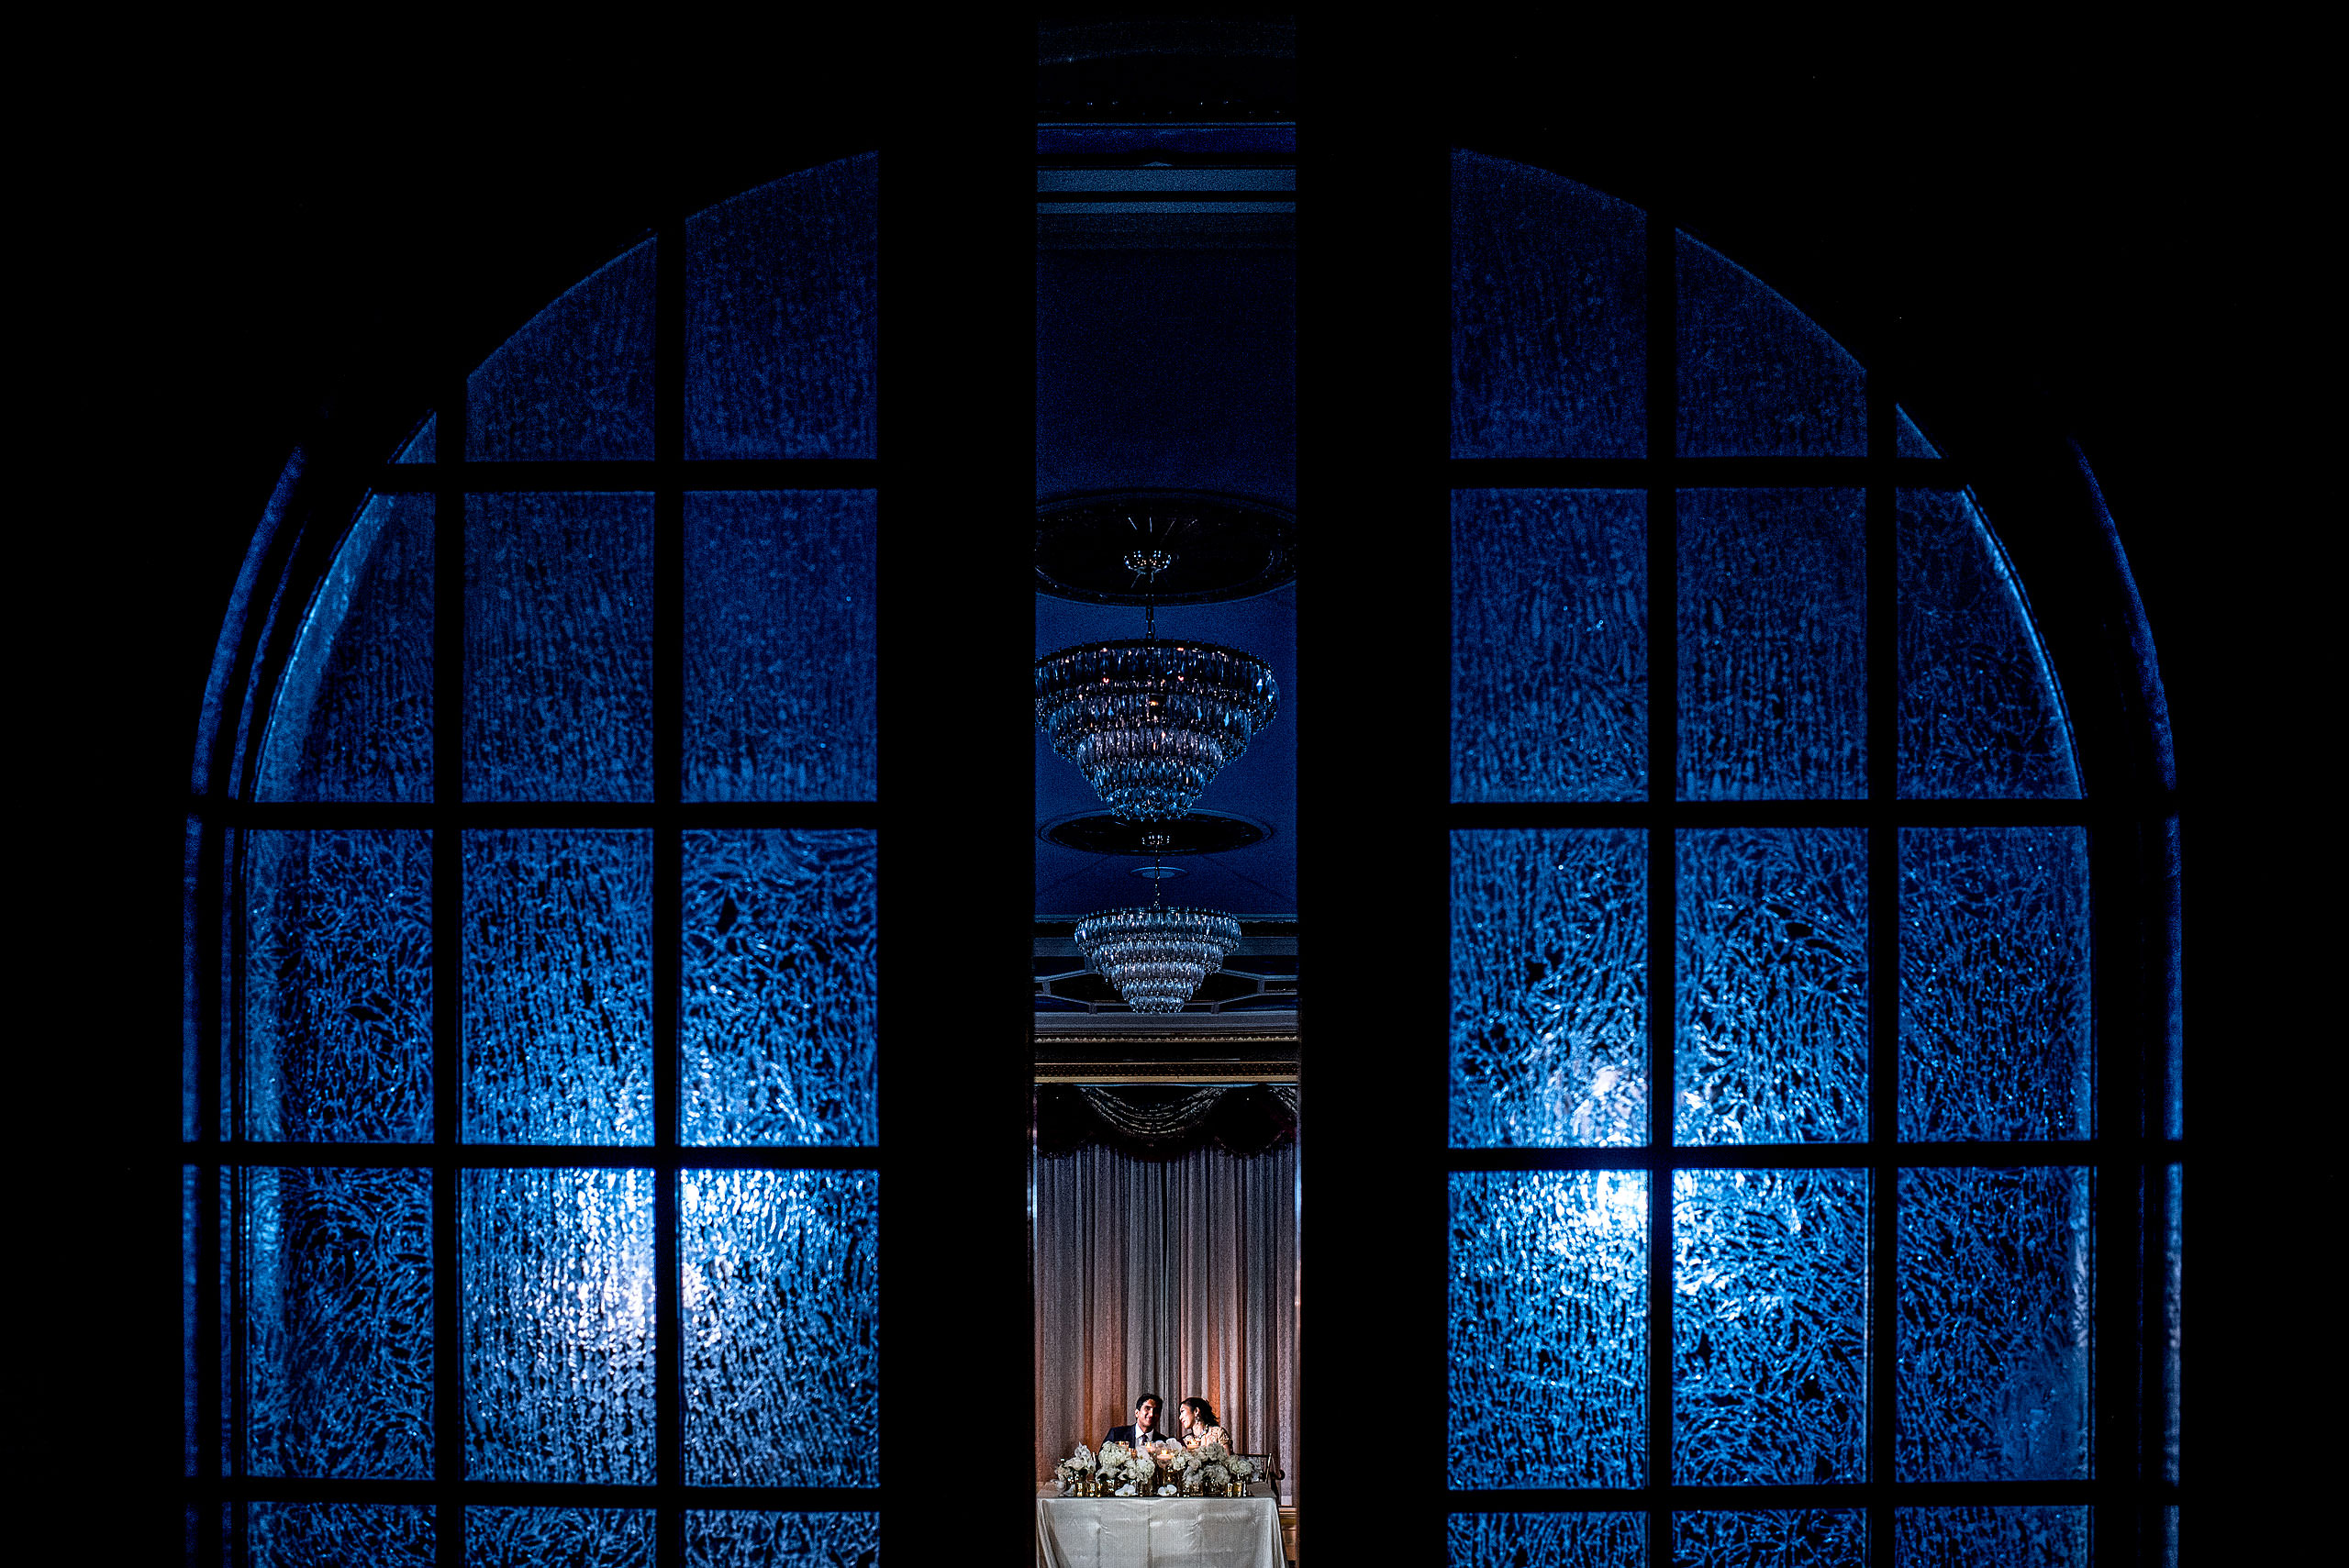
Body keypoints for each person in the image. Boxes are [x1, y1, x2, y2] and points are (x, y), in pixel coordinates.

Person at [1103, 1393, 1168, 1451]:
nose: (1151, 1414)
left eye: (1156, 1410)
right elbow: (1102, 1461)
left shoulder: (1164, 1442)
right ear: (1137, 1413)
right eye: (1147, 1409)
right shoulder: (1117, 1435)